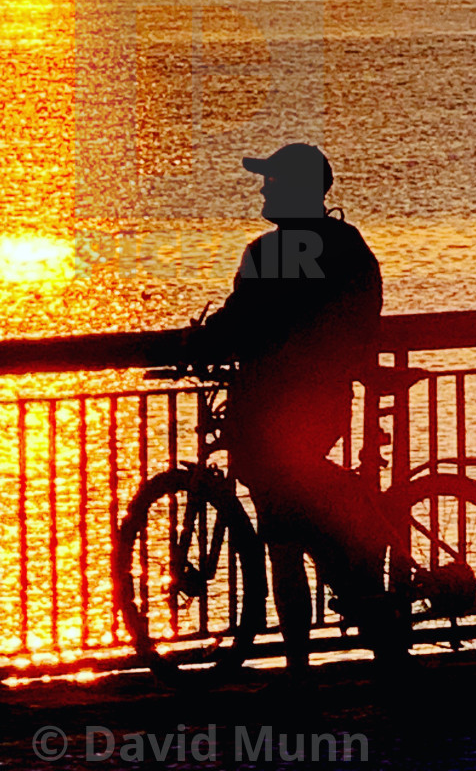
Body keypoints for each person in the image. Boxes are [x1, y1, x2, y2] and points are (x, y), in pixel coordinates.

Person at [186, 142, 386, 676]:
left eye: (272, 183)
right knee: (300, 514)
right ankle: (358, 585)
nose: (263, 190)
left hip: (275, 409)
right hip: (327, 402)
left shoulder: (270, 252)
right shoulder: (348, 245)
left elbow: (239, 319)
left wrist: (200, 344)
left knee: (282, 535)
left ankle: (300, 664)